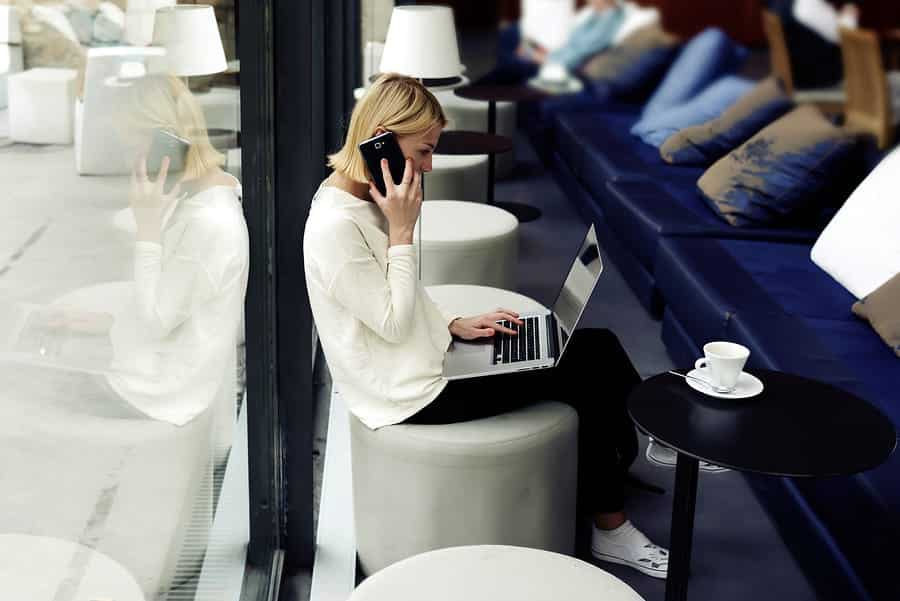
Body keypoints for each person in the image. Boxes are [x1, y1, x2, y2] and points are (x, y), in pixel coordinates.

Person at [303, 73, 669, 578]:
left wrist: (453, 323)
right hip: (409, 392)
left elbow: (390, 296)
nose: (428, 166)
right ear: (383, 136)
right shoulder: (336, 226)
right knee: (585, 372)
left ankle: (639, 444)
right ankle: (611, 525)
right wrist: (403, 231)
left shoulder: (367, 200)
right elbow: (389, 321)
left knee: (594, 345)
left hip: (422, 356)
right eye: (424, 150)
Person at [485, 0, 626, 85]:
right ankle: (482, 90)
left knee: (513, 62)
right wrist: (543, 52)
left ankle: (477, 91)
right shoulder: (595, 14)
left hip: (564, 67)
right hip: (556, 56)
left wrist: (544, 58)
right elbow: (571, 43)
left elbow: (580, 53)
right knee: (512, 37)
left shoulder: (609, 19)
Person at [768, 0, 860, 89]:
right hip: (820, 80)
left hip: (795, 75)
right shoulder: (808, 4)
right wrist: (850, 14)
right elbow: (844, 37)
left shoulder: (781, 2)